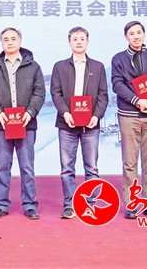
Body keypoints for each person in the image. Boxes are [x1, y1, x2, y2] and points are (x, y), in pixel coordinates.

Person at [0, 27, 45, 220]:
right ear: (1, 43)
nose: (9, 42)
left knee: (27, 167)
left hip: (26, 124)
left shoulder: (33, 66)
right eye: (6, 39)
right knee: (3, 166)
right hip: (2, 124)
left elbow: (39, 92)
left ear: (20, 41)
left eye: (13, 39)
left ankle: (30, 204)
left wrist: (30, 113)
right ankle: (1, 204)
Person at [50, 26, 109, 219]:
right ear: (69, 43)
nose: (78, 42)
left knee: (91, 168)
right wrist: (65, 112)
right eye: (75, 39)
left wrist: (96, 116)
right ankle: (69, 205)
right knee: (67, 168)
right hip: (66, 124)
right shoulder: (60, 66)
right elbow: (55, 93)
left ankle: (89, 205)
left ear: (88, 42)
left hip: (90, 125)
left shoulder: (98, 67)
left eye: (82, 38)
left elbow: (103, 95)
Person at [111, 21, 147, 219]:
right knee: (130, 161)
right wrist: (137, 100)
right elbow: (117, 84)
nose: (136, 36)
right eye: (132, 34)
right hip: (129, 115)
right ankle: (132, 203)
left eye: (139, 32)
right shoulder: (119, 58)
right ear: (126, 37)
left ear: (144, 34)